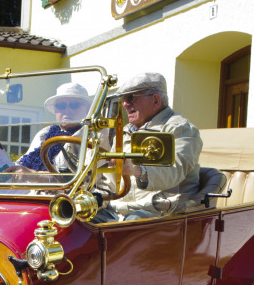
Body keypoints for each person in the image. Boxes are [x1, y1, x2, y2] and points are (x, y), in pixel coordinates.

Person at [98, 72, 203, 221]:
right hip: (119, 212)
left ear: (155, 100)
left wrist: (138, 170)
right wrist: (95, 199)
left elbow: (175, 171)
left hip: (162, 213)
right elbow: (110, 181)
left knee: (132, 224)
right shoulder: (125, 132)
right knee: (77, 221)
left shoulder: (180, 129)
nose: (125, 104)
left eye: (131, 98)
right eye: (123, 99)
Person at [14, 82, 93, 173]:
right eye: (61, 106)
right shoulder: (45, 133)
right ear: (55, 110)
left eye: (74, 105)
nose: (67, 110)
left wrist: (34, 175)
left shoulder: (92, 134)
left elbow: (84, 177)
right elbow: (23, 162)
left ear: (87, 109)